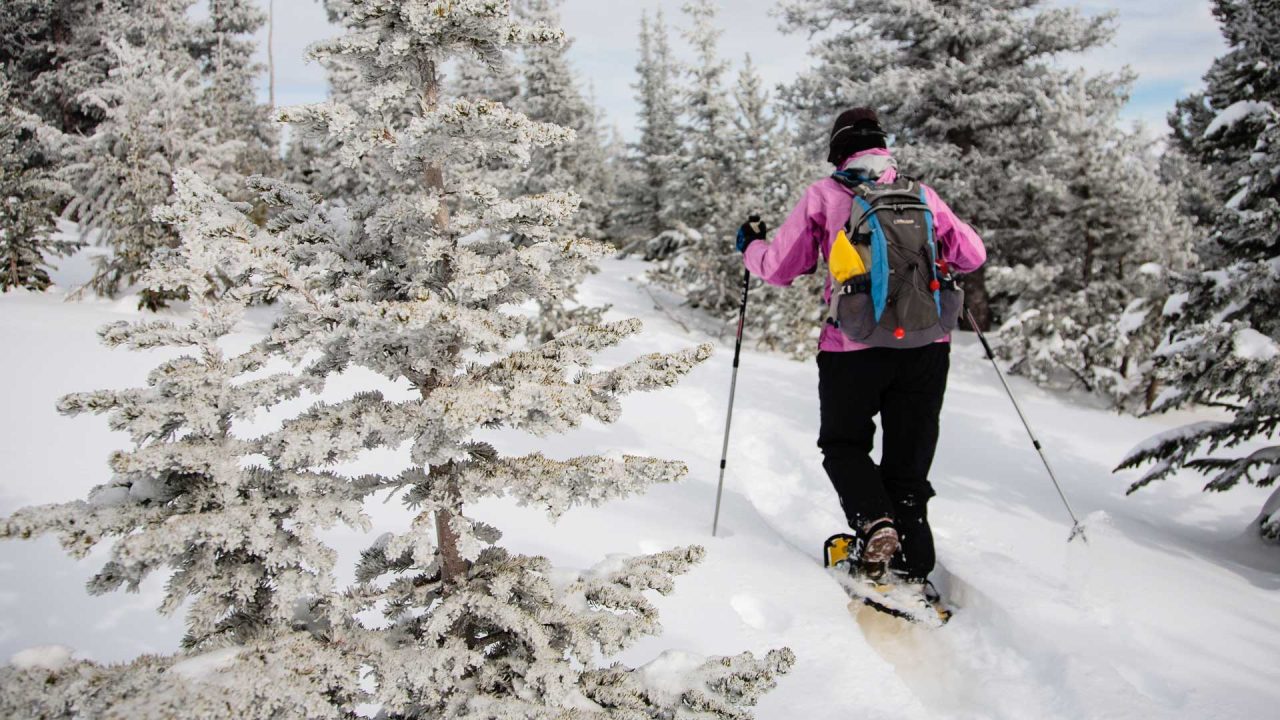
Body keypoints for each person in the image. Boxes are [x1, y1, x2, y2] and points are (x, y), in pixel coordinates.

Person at [736, 107, 986, 591]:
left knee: (844, 445)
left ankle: (874, 523)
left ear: (838, 152)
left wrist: (750, 246)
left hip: (851, 347)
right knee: (908, 458)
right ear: (883, 148)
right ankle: (914, 559)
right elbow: (972, 254)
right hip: (926, 346)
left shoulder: (825, 195)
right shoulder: (921, 194)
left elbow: (781, 268)